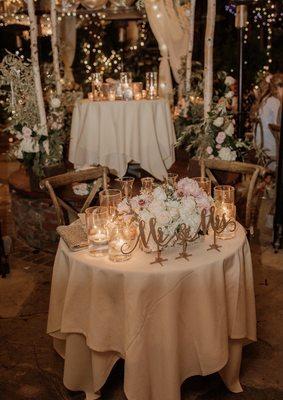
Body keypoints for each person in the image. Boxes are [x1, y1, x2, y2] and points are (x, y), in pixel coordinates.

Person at [254, 73, 283, 170]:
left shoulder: (264, 100)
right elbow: (277, 126)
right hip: (270, 147)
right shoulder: (274, 102)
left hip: (261, 144)